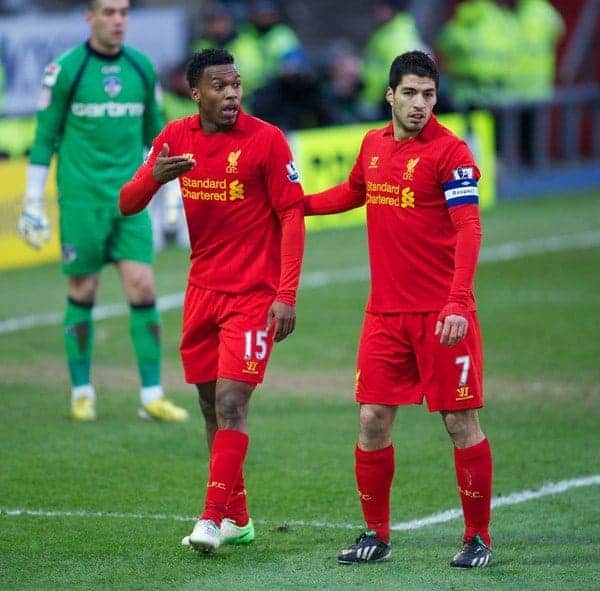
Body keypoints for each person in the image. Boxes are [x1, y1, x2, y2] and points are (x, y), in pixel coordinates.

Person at [304, 50, 493, 568]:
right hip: (384, 314)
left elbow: (468, 229)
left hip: (442, 315)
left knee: (460, 422)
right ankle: (375, 534)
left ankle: (477, 537)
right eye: (409, 93)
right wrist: (297, 204)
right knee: (371, 419)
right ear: (389, 95)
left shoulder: (451, 154)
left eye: (429, 95)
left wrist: (458, 302)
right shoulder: (371, 144)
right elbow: (352, 192)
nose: (419, 105)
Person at [119, 48, 305, 553]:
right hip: (202, 292)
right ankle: (238, 520)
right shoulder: (176, 137)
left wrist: (285, 294)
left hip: (254, 295)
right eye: (220, 87)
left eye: (237, 85)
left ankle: (209, 518)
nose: (232, 95)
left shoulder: (266, 140)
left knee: (230, 402)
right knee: (207, 405)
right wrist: (154, 177)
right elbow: (128, 203)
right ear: (195, 92)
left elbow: (292, 216)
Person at [16, 0, 188, 423]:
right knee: (83, 292)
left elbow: (157, 137)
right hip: (82, 201)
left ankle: (151, 395)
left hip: (131, 200)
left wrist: (171, 196)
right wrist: (33, 201)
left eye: (124, 13)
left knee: (143, 288)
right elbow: (44, 139)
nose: (118, 20)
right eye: (109, 12)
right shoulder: (66, 70)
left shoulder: (142, 68)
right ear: (89, 17)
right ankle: (82, 392)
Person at [361, 0, 428, 120]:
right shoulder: (387, 33)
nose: (376, 11)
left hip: (384, 102)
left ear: (391, 10)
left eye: (381, 7)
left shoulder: (397, 37)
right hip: (379, 98)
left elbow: (397, 74)